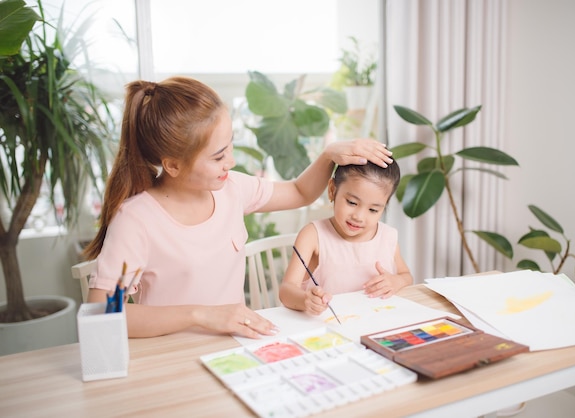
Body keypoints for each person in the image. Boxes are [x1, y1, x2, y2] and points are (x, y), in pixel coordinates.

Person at [83, 76, 393, 339]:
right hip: (173, 357)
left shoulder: (231, 188)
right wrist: (201, 316)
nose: (230, 162)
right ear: (173, 165)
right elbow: (102, 316)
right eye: (218, 156)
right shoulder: (137, 220)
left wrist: (329, 155)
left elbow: (299, 192)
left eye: (230, 145)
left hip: (235, 347)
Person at [279, 160, 412, 316]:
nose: (359, 217)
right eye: (352, 202)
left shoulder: (388, 236)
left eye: (373, 210)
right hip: (328, 329)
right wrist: (305, 300)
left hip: (374, 324)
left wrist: (397, 281)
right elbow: (286, 291)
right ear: (332, 190)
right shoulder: (313, 235)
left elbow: (406, 276)